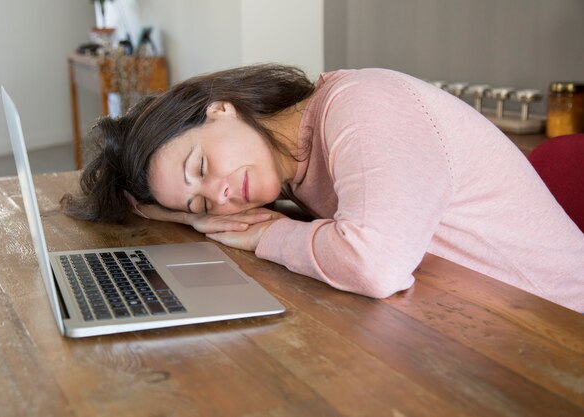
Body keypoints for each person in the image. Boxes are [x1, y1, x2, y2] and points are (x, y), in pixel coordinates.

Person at [62, 64, 584, 313]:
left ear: (219, 107)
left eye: (201, 164)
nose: (222, 195)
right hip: (487, 319)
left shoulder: (364, 106)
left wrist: (263, 236)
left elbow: (374, 264)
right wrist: (186, 215)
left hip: (560, 331)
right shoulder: (292, 165)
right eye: (200, 202)